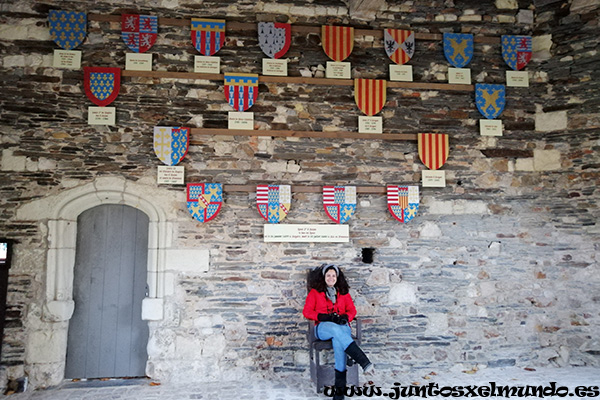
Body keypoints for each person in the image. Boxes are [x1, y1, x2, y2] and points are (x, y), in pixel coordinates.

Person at [303, 264, 373, 399]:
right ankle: (361, 358)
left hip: (342, 328)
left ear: (337, 277)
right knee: (335, 330)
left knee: (338, 341)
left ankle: (339, 392)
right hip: (322, 328)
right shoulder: (315, 293)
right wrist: (324, 317)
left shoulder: (343, 293)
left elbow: (352, 311)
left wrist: (345, 317)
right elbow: (307, 312)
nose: (331, 278)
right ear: (323, 277)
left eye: (333, 275)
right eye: (328, 275)